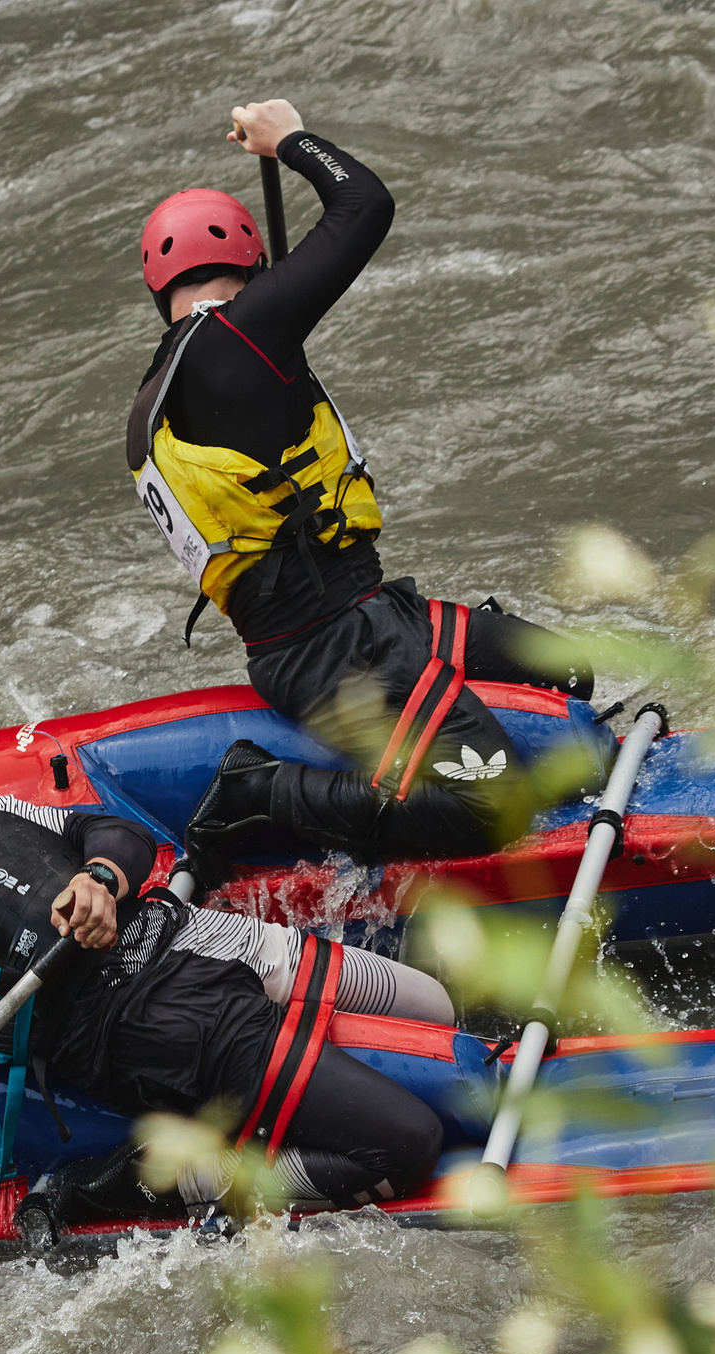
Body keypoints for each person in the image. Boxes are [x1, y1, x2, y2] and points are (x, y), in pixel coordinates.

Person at [126, 98, 597, 885]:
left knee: (564, 667)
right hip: (331, 650)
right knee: (493, 805)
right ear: (251, 263)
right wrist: (290, 140)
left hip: (369, 612)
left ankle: (594, 786)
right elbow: (365, 204)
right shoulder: (237, 338)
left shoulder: (159, 393)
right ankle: (259, 790)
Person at [0, 750, 458, 1247]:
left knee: (437, 1008)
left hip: (202, 936)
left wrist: (102, 877)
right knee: (404, 1145)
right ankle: (149, 1183)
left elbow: (108, 832)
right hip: (154, 1024)